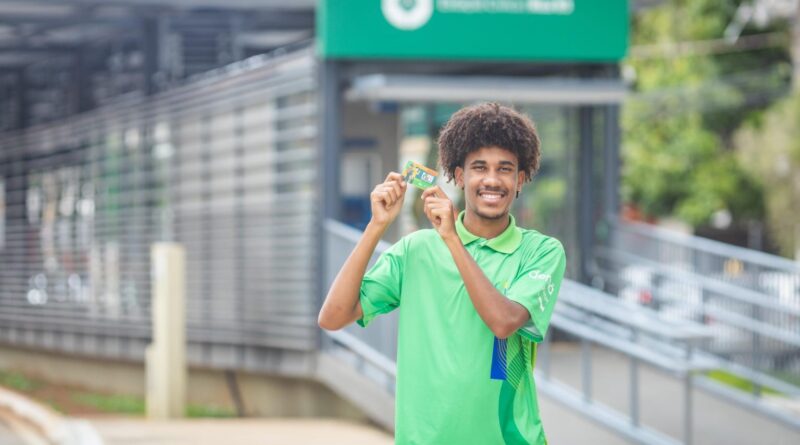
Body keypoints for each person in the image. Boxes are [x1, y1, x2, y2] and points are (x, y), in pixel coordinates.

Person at [318, 102, 567, 445]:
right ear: (460, 176)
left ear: (520, 179)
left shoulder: (541, 252)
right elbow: (333, 317)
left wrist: (451, 238)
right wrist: (376, 227)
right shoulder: (415, 250)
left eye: (505, 169)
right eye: (479, 167)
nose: (492, 180)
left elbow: (504, 321)